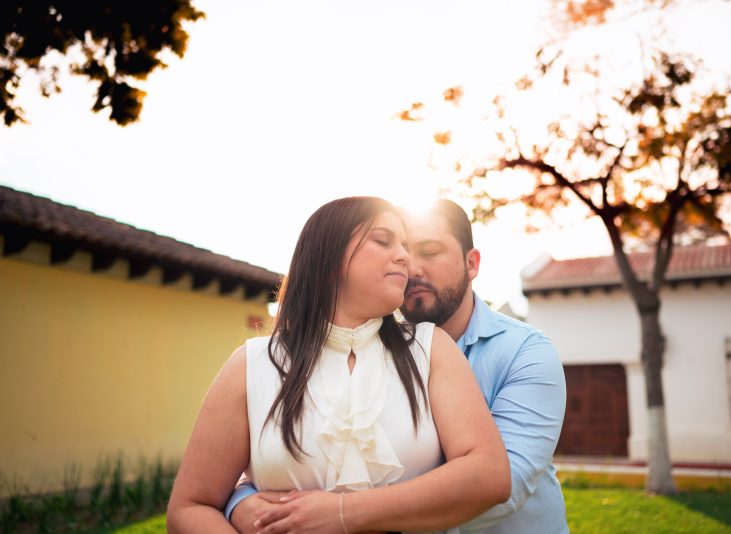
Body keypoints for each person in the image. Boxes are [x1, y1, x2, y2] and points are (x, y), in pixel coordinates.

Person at [167, 197, 510, 534]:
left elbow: (489, 474)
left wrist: (343, 513)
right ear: (329, 256)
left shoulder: (431, 348)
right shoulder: (253, 364)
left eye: (404, 245)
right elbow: (190, 508)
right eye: (383, 240)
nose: (405, 257)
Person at [229, 199, 568, 534]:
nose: (410, 265)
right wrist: (243, 498)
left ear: (472, 264)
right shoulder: (357, 353)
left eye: (430, 252)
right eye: (395, 246)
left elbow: (501, 488)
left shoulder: (525, 352)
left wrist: (338, 513)